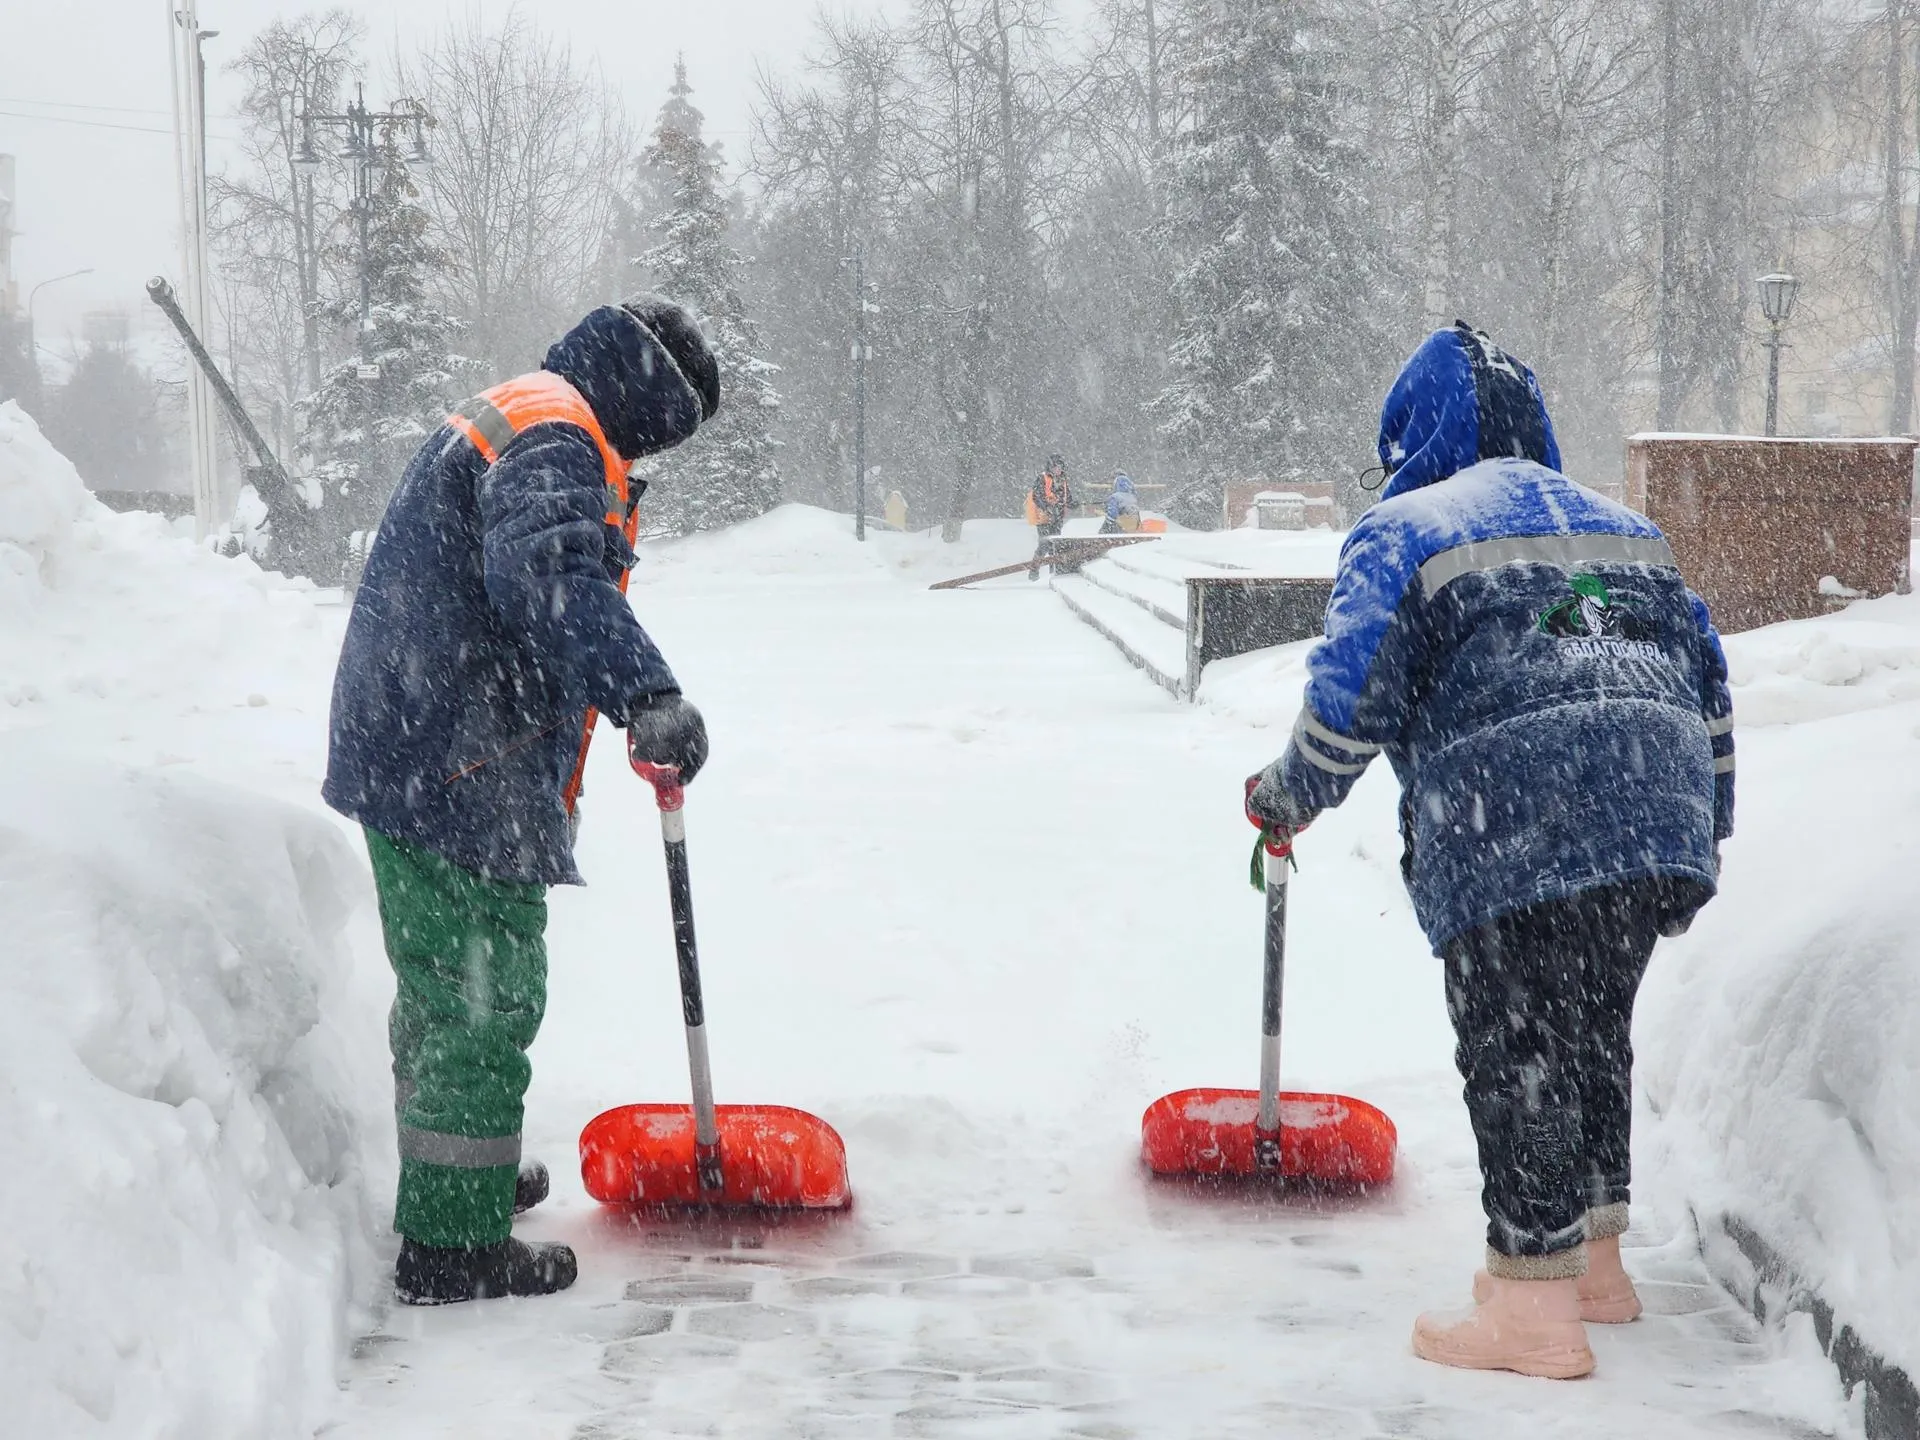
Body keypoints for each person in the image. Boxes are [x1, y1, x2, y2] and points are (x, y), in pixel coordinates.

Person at [1244, 322, 1734, 1379]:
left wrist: (1288, 796)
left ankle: (1532, 1310)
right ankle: (1595, 1269)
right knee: (1594, 1030)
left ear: (1413, 434)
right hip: (1656, 817)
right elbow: (1708, 682)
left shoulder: (1409, 528)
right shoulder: (1625, 528)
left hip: (1515, 820)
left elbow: (1349, 698)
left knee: (1519, 1051)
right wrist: (1705, 828)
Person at [324, 295, 722, 1305]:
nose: (654, 452)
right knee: (482, 990)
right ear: (648, 396)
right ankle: (453, 1248)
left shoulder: (534, 406)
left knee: (445, 988)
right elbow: (542, 573)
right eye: (669, 430)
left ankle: (465, 1177)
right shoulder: (557, 430)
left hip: (421, 741)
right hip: (457, 755)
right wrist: (647, 692)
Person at [1025, 452, 1071, 578]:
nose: (1058, 469)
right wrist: (1047, 508)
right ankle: (1034, 571)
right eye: (1056, 467)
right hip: (1044, 517)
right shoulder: (1042, 478)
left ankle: (1054, 571)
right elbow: (1037, 496)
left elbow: (1068, 497)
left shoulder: (1063, 480)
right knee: (1044, 544)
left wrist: (1072, 503)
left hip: (1057, 517)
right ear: (1050, 467)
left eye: (1060, 467)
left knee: (1055, 545)